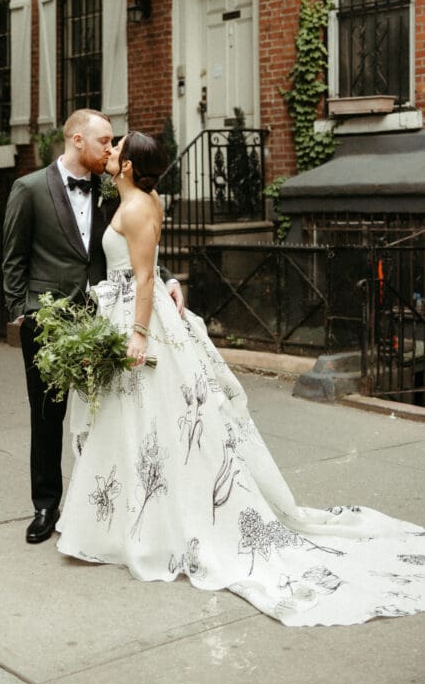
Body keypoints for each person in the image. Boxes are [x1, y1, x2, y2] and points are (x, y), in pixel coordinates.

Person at [55, 131, 425, 626]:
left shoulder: (141, 205)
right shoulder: (132, 198)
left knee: (157, 422)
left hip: (140, 321)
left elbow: (142, 277)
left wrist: (139, 335)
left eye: (116, 148)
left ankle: (158, 527)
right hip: (123, 310)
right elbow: (149, 269)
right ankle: (131, 520)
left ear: (126, 165)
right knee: (139, 426)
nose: (110, 151)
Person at [3, 110, 183, 545]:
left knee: (103, 413)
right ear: (77, 139)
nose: (110, 148)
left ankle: (95, 504)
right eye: (104, 140)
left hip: (105, 315)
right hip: (48, 318)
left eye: (113, 142)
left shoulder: (113, 190)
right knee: (47, 413)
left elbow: (138, 244)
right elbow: (13, 258)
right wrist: (20, 311)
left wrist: (169, 279)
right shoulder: (28, 189)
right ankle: (46, 504)